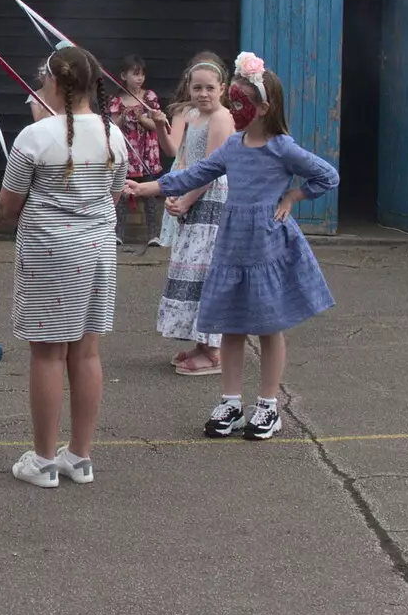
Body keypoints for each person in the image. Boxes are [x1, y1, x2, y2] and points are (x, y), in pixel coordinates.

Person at [124, 52, 340, 442]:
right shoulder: (233, 146)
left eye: (241, 100)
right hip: (231, 245)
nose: (235, 107)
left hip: (268, 244)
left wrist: (293, 196)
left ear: (263, 107)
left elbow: (328, 176)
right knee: (233, 326)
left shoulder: (282, 147)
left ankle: (268, 406)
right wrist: (147, 187)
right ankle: (230, 402)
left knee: (270, 327)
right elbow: (194, 173)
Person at [0, 46, 127, 490]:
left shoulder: (34, 137)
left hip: (51, 254)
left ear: (53, 81)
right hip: (98, 252)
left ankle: (44, 459)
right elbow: (112, 194)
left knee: (48, 353)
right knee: (87, 351)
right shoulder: (115, 136)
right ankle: (81, 457)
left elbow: (7, 205)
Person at [149, 57, 235, 376]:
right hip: (191, 192)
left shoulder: (222, 118)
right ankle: (202, 342)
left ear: (222, 89)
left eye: (209, 88)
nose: (202, 93)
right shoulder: (194, 115)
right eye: (197, 87)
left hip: (210, 199)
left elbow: (211, 169)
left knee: (206, 269)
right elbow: (182, 157)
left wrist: (185, 201)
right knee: (191, 268)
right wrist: (177, 196)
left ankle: (215, 351)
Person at [108, 54, 164, 246]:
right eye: (135, 74)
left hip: (147, 154)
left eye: (142, 74)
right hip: (127, 153)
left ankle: (153, 235)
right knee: (122, 193)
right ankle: (118, 233)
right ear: (124, 76)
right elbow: (112, 126)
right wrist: (123, 117)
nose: (140, 78)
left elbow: (156, 125)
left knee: (149, 193)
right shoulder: (116, 100)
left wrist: (141, 118)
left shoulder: (149, 97)